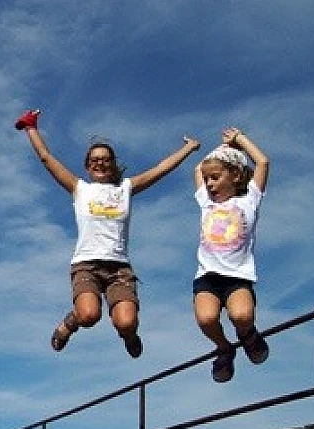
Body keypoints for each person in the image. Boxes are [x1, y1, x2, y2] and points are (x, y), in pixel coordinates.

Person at [15, 109, 200, 356]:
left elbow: (161, 169)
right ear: (87, 166)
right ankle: (71, 322)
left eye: (105, 159)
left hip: (119, 268)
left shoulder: (126, 188)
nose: (100, 163)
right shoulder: (79, 189)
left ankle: (129, 333)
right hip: (86, 264)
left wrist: (188, 149)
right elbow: (47, 158)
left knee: (126, 322)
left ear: (113, 164)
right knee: (89, 315)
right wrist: (31, 127)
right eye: (94, 160)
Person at [191, 127, 270, 382]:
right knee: (206, 319)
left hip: (237, 276)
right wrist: (222, 149)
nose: (209, 183)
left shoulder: (249, 200)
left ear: (235, 176)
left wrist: (239, 141)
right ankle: (224, 348)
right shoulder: (207, 202)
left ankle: (247, 334)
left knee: (242, 316)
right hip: (208, 276)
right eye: (207, 179)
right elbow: (197, 169)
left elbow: (262, 162)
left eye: (215, 177)